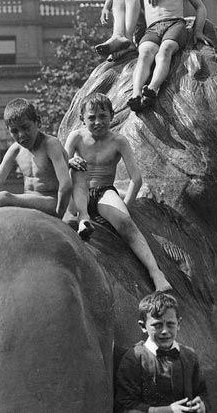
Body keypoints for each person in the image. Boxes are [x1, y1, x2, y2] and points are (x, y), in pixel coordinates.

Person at [64, 93, 171, 292]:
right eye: (92, 117)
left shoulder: (118, 141)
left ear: (112, 115)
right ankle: (83, 218)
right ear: (82, 119)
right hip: (79, 192)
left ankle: (156, 272)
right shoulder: (76, 137)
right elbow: (61, 169)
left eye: (103, 116)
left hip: (104, 191)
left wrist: (126, 208)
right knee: (77, 169)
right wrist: (69, 162)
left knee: (127, 225)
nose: (98, 122)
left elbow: (136, 178)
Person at [123, 0, 209, 112]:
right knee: (145, 53)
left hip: (174, 24)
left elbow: (200, 6)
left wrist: (198, 31)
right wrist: (109, 2)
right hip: (153, 28)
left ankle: (152, 88)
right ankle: (136, 94)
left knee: (166, 50)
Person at [115, 291, 208, 413]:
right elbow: (124, 407)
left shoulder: (189, 356)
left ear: (178, 324)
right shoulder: (134, 358)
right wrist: (167, 410)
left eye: (170, 324)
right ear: (143, 326)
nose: (164, 331)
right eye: (157, 325)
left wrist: (202, 405)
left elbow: (202, 393)